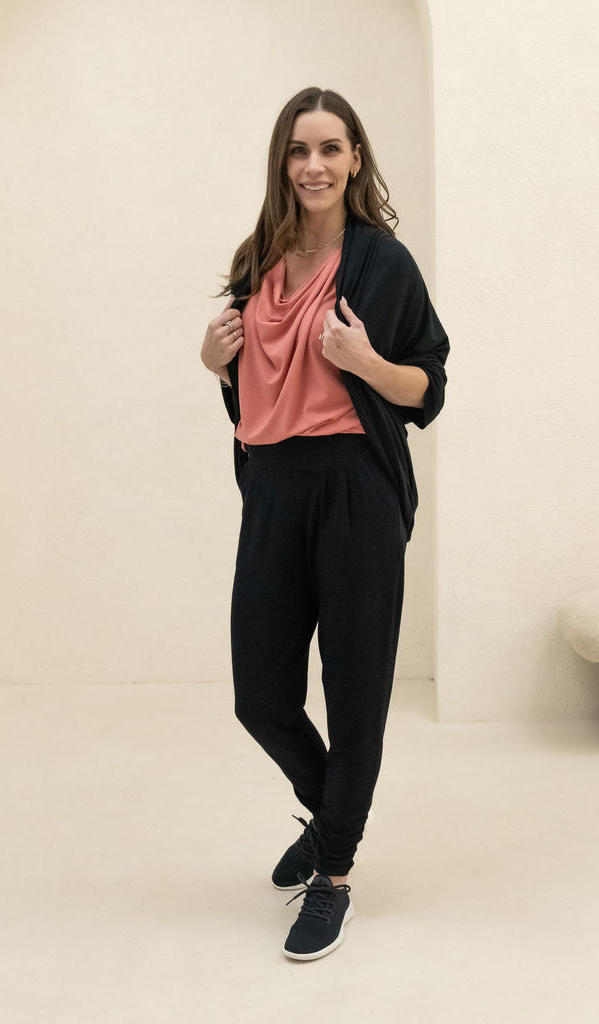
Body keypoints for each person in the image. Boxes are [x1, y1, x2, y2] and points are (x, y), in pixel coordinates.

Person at [200, 86, 449, 961]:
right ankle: (334, 815)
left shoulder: (383, 263)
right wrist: (214, 364)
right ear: (283, 161)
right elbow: (255, 388)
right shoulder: (258, 261)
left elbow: (427, 387)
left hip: (354, 491)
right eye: (299, 150)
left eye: (330, 149)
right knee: (261, 697)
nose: (314, 165)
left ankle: (333, 874)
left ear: (354, 160)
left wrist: (368, 361)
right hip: (273, 490)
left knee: (354, 696)